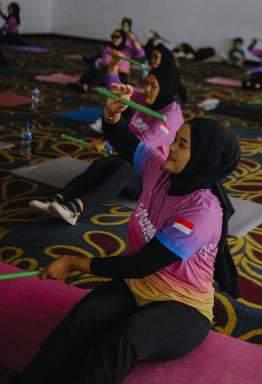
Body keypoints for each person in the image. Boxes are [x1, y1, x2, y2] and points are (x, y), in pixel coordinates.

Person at [17, 114, 240, 384]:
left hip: (184, 305)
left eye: (182, 145)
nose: (171, 147)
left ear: (204, 158)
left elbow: (140, 264)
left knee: (122, 339)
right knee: (81, 318)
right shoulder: (159, 170)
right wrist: (112, 116)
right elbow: (124, 140)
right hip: (140, 285)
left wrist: (73, 263)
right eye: (175, 139)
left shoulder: (202, 212)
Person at [30, 71, 184, 223]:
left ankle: (75, 209)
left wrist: (105, 143)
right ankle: (58, 198)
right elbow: (115, 92)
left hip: (154, 180)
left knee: (123, 169)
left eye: (153, 86)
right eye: (146, 84)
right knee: (101, 164)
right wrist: (113, 70)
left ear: (165, 88)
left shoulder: (171, 116)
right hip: (131, 160)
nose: (147, 89)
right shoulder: (145, 99)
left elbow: (141, 146)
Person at [70, 30, 135, 93]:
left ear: (123, 38)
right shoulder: (108, 48)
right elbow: (104, 61)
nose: (114, 38)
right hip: (107, 72)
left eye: (117, 36)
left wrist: (133, 39)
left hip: (120, 76)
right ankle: (80, 83)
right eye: (113, 36)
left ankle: (88, 87)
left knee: (105, 68)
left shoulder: (128, 50)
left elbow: (139, 53)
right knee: (94, 68)